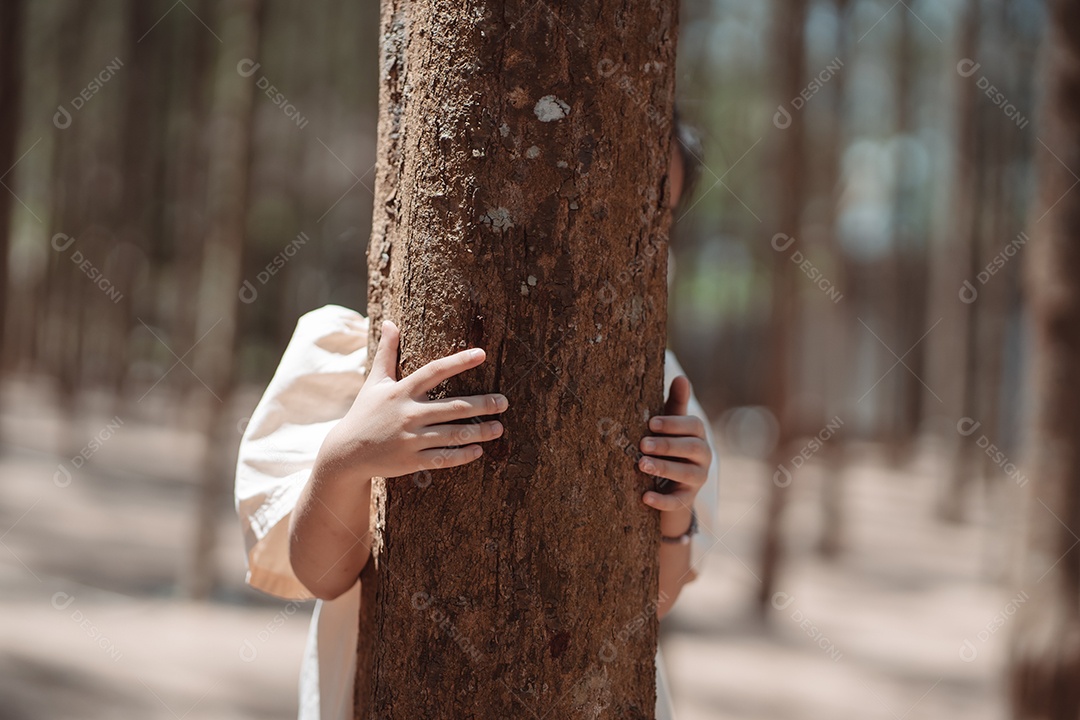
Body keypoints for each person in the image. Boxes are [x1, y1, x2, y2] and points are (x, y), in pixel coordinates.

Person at [235, 117, 717, 720]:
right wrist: (345, 459)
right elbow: (323, 575)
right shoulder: (363, 363)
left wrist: (675, 510)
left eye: (650, 211)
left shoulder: (657, 388)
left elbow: (651, 601)